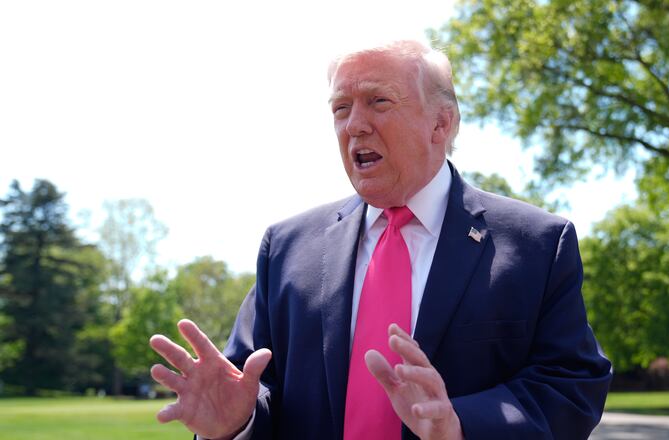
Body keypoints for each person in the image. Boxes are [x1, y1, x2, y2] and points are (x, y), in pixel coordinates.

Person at [149, 40, 612, 440]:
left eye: (378, 101)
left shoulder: (536, 243)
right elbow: (251, 386)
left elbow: (571, 384)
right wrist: (237, 423)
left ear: (441, 124)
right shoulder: (286, 248)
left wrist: (461, 425)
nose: (354, 125)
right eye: (340, 108)